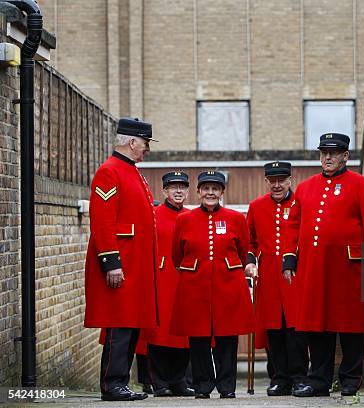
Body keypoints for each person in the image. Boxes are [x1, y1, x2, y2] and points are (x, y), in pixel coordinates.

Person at [282, 133, 364, 397]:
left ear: (346, 156)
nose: (328, 157)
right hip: (315, 268)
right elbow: (292, 226)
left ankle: (350, 379)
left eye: (334, 153)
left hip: (350, 267)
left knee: (351, 325)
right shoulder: (305, 188)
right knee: (317, 326)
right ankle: (319, 380)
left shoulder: (361, 185)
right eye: (324, 153)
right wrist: (289, 257)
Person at [84, 117, 158, 401]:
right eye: (146, 143)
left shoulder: (130, 170)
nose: (147, 148)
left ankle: (120, 383)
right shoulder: (110, 171)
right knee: (119, 325)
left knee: (130, 324)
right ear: (132, 141)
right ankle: (112, 385)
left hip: (134, 266)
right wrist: (111, 263)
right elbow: (102, 221)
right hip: (121, 265)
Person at [170, 171, 254, 399]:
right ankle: (202, 387)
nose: (210, 193)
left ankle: (227, 388)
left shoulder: (235, 218)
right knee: (198, 340)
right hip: (194, 287)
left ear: (222, 192)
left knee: (227, 339)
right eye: (205, 188)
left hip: (228, 286)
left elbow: (243, 250)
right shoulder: (183, 220)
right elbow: (177, 256)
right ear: (198, 192)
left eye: (215, 189)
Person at [245, 162, 308, 397]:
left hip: (295, 276)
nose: (277, 185)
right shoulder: (256, 206)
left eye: (281, 180)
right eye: (272, 181)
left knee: (296, 329)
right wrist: (250, 261)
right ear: (267, 182)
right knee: (274, 329)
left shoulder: (300, 204)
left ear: (290, 180)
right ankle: (279, 378)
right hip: (269, 277)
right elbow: (250, 241)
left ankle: (300, 377)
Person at [141, 171, 195, 397]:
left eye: (182, 187)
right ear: (164, 191)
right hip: (161, 279)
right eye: (174, 187)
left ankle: (179, 380)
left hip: (184, 281)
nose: (179, 190)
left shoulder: (193, 217)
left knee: (183, 333)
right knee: (159, 333)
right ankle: (159, 382)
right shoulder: (152, 215)